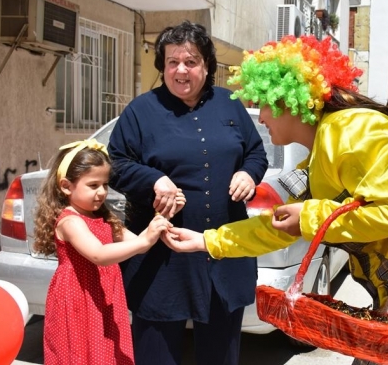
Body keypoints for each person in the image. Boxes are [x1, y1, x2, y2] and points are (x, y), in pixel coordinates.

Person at [162, 35, 388, 365]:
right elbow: (279, 226)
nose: (261, 118)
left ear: (288, 100)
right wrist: (208, 241)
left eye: (263, 104)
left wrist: (310, 215)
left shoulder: (352, 131)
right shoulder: (321, 152)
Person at [107, 21, 269, 365]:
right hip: (162, 261)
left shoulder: (229, 104)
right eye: (172, 62)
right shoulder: (141, 111)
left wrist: (248, 173)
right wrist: (153, 179)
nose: (181, 70)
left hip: (222, 253)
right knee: (156, 356)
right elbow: (116, 163)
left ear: (206, 66)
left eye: (191, 61)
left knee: (221, 356)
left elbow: (256, 152)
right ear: (162, 66)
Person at [32, 139, 176, 364]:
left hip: (103, 295)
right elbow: (98, 254)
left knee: (106, 352)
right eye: (93, 185)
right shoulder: (70, 221)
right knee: (81, 352)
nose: (101, 192)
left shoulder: (102, 216)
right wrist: (145, 240)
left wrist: (163, 218)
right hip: (78, 298)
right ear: (66, 186)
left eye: (105, 184)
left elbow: (137, 242)